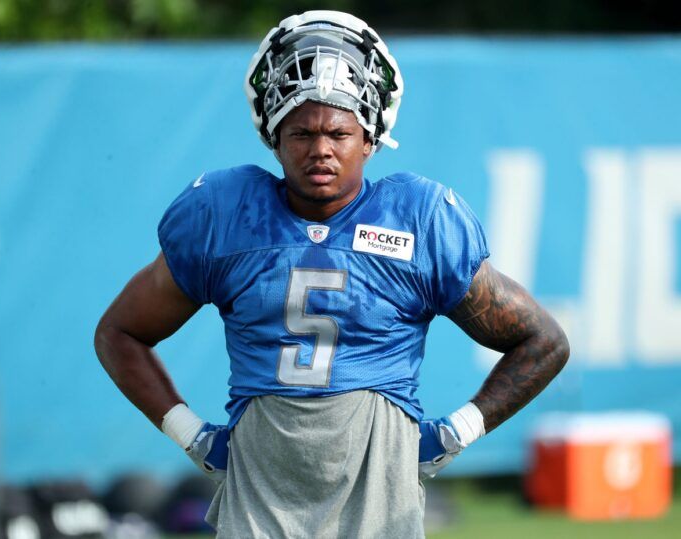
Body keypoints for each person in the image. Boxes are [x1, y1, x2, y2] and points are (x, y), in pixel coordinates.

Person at [94, 10, 569, 538]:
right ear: (274, 139)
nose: (320, 149)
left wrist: (457, 432)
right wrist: (191, 434)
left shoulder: (419, 220)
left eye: (338, 133)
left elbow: (543, 340)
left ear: (369, 139)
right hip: (261, 481)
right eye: (301, 133)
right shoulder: (224, 216)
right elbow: (120, 332)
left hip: (377, 478)